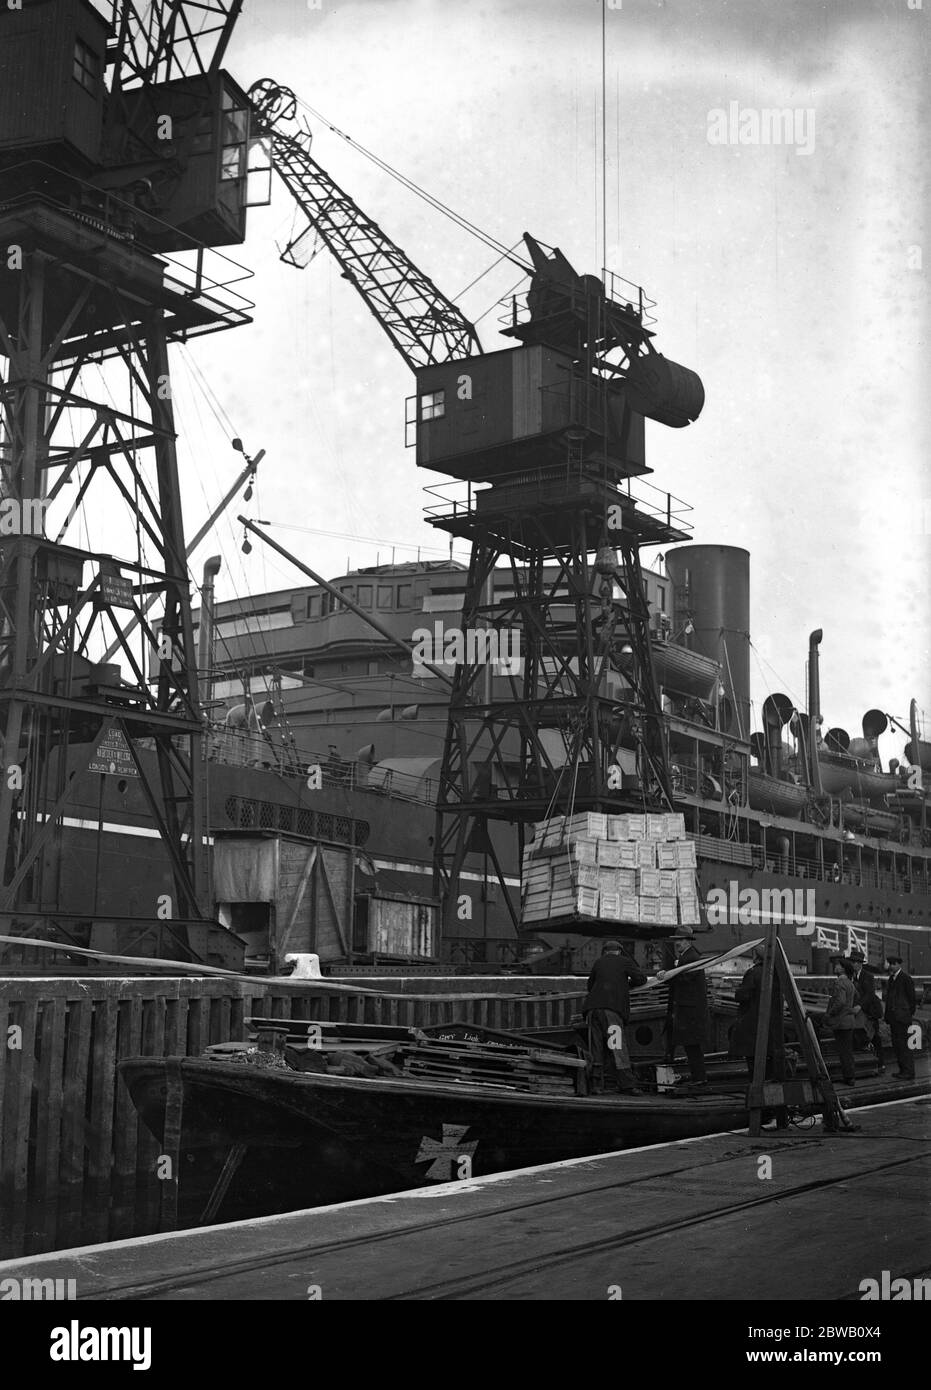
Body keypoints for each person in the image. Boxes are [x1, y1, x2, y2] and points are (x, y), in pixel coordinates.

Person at [582, 940, 647, 1095]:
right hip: (611, 1012)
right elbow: (641, 979)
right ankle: (627, 1085)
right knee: (617, 1047)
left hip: (592, 1011)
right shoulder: (624, 961)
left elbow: (590, 986)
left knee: (595, 1049)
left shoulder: (598, 963)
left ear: (605, 951)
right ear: (619, 951)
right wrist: (625, 985)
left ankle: (596, 1085)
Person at [658, 926, 709, 1084]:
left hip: (689, 1012)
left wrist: (666, 976)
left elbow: (684, 979)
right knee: (690, 1046)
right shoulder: (688, 956)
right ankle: (698, 1078)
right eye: (676, 941)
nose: (677, 943)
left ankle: (700, 1079)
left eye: (680, 940)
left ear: (688, 942)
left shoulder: (691, 958)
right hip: (687, 1010)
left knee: (692, 1046)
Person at [730, 948, 780, 1078]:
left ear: (756, 957)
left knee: (752, 1054)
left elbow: (743, 995)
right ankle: (769, 1081)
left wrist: (738, 992)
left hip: (752, 1020)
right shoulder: (774, 973)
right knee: (769, 1056)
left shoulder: (752, 973)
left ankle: (756, 1084)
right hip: (770, 1019)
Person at [848, 948, 885, 1073]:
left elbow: (869, 994)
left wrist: (859, 1006)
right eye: (852, 962)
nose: (853, 964)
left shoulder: (868, 976)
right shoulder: (849, 976)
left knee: (875, 1036)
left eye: (855, 962)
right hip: (857, 1012)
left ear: (859, 964)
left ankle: (881, 1064)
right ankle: (863, 1063)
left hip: (870, 1010)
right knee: (858, 1035)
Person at [822, 955, 857, 1086]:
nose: (835, 967)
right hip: (849, 1020)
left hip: (841, 1021)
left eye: (837, 965)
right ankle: (850, 1076)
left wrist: (830, 1013)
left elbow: (840, 1002)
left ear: (842, 969)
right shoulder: (850, 983)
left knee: (843, 1052)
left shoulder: (839, 982)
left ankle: (848, 1077)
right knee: (847, 1051)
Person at [883, 954, 917, 1080]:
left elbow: (912, 999)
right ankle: (903, 1070)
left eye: (894, 964)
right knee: (897, 1046)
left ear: (899, 965)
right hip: (894, 1018)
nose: (891, 966)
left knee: (904, 1046)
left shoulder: (905, 978)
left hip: (902, 1018)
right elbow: (889, 999)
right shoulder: (891, 979)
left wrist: (907, 1014)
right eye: (890, 963)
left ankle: (909, 1071)